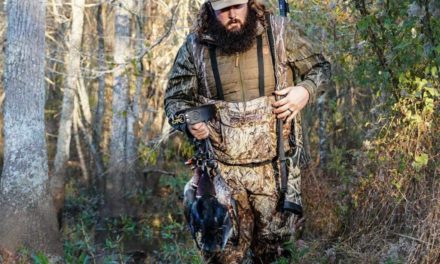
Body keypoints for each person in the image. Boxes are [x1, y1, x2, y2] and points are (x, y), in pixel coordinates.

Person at [164, 0, 331, 262]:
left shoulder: (279, 32)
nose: (231, 15)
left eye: (237, 6)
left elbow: (321, 68)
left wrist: (304, 91)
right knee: (222, 256)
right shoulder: (195, 46)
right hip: (221, 177)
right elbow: (175, 101)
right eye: (223, 10)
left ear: (251, 3)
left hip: (276, 172)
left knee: (275, 256)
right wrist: (188, 121)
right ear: (210, 9)